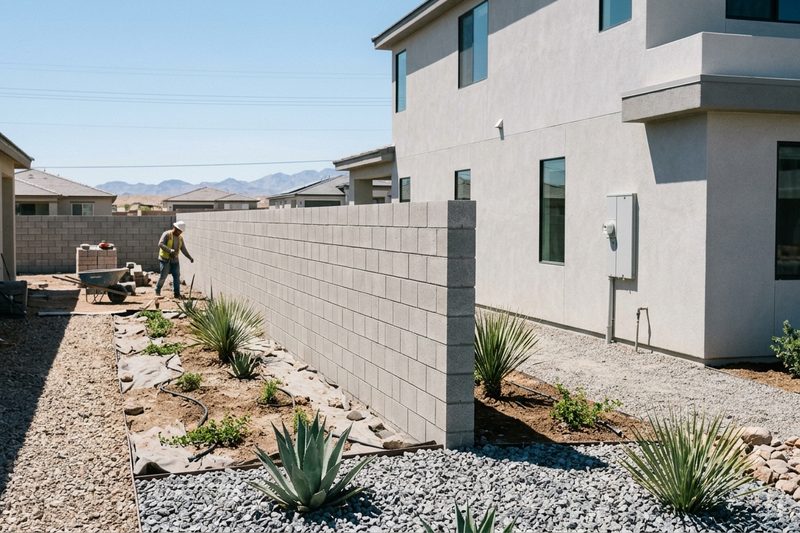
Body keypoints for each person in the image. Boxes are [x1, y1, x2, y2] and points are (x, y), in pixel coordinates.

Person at [155, 220, 194, 298]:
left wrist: (190, 257)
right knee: (163, 276)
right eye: (179, 231)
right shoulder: (167, 234)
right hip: (165, 259)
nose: (179, 233)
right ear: (175, 228)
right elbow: (160, 244)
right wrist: (170, 250)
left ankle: (177, 293)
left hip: (175, 260)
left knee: (176, 276)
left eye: (181, 232)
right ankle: (157, 290)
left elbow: (183, 249)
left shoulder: (180, 238)